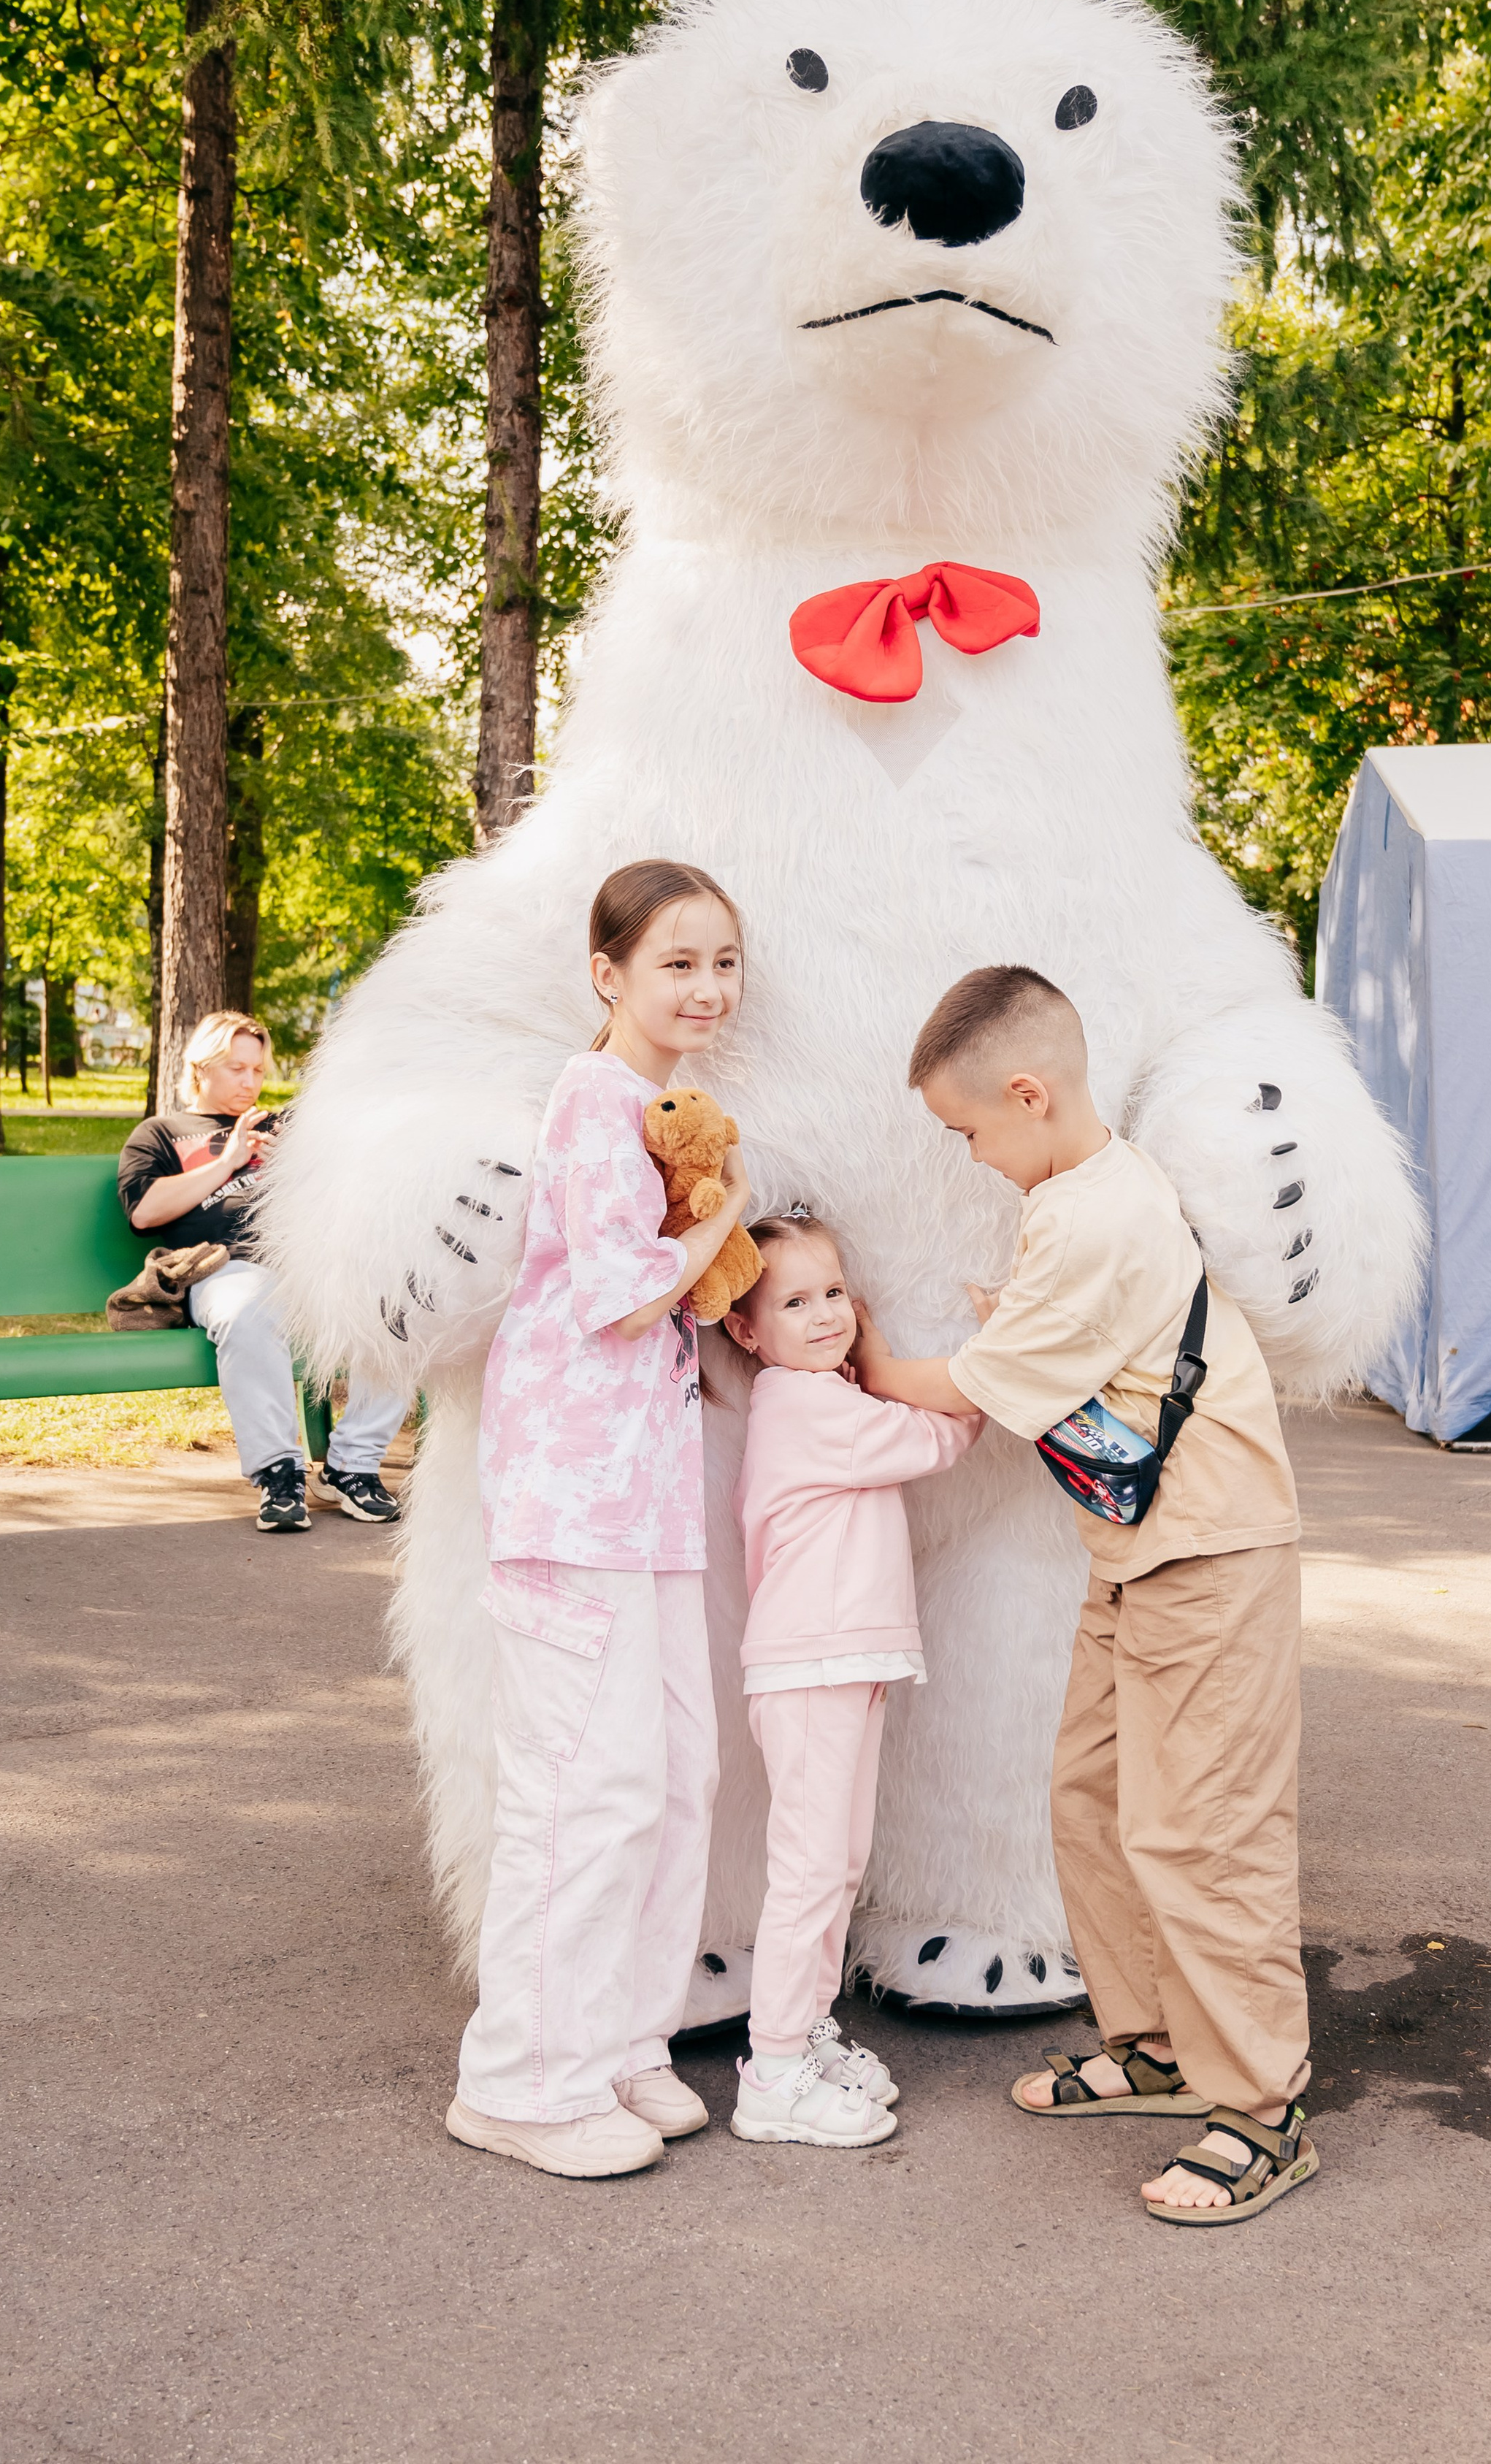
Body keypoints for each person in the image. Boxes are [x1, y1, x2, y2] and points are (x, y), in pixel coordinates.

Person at [851, 965, 1316, 2227]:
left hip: (1207, 1551)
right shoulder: (1086, 1196)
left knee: (1203, 1831)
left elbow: (973, 1388)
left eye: (969, 1133)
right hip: (1146, 1548)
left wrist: (857, 1352)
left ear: (1027, 1091)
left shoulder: (1092, 1214)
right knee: (1096, 1796)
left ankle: (1261, 2108)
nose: (973, 1156)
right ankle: (1161, 2042)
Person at [445, 859, 752, 2184]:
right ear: (608, 973)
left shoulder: (654, 1107)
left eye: (725, 961)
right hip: (575, 1496)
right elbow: (625, 1293)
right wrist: (723, 1224)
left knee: (677, 1775)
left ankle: (622, 2039)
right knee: (585, 1785)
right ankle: (521, 2077)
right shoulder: (592, 1097)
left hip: (646, 1502)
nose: (708, 987)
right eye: (679, 961)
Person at [721, 1213, 980, 2148]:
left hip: (838, 1658)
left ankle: (804, 2028)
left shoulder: (815, 1396)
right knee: (809, 1867)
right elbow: (939, 1437)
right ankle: (776, 2070)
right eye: (795, 1302)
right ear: (748, 1333)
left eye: (835, 1293)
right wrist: (900, 1359)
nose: (825, 1313)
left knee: (835, 1863)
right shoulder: (803, 1402)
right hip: (812, 1661)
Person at [118, 1012, 410, 1534]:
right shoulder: (160, 1133)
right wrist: (228, 1160)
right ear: (201, 1068)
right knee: (250, 1307)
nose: (250, 1081)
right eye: (236, 1068)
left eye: (257, 1069)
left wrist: (297, 1168)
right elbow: (144, 1212)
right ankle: (280, 1473)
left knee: (398, 1307)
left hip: (305, 1266)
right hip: (225, 1269)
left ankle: (353, 1465)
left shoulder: (282, 1129)